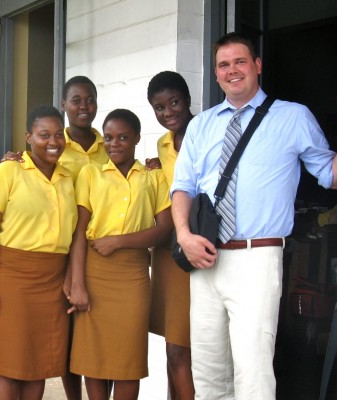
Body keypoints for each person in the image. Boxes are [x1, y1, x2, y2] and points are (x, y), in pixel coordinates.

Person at [170, 32, 337, 399]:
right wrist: (184, 236)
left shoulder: (292, 117)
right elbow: (182, 188)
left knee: (253, 373)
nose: (232, 70)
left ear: (257, 65)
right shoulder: (201, 125)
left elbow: (332, 176)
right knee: (208, 371)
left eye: (240, 61)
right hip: (205, 258)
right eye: (224, 65)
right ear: (216, 73)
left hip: (257, 258)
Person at [0, 75, 106, 400]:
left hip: (99, 255)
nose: (83, 106)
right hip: (58, 259)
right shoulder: (54, 150)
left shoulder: (110, 146)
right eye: (76, 100)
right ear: (64, 105)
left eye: (89, 99)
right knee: (63, 343)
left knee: (92, 341)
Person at [69, 109, 174, 400]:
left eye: (123, 137)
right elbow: (79, 232)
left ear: (137, 139)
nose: (115, 144)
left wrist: (118, 241)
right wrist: (77, 283)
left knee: (128, 361)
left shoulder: (152, 176)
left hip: (133, 277)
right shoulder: (90, 174)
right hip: (93, 272)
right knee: (94, 358)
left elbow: (165, 229)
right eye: (110, 138)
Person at [0, 105, 78, 400]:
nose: (53, 141)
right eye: (43, 135)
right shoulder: (9, 171)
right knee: (9, 366)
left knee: (39, 366)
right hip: (14, 279)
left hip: (53, 281)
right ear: (28, 137)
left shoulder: (68, 178)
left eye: (59, 135)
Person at [145, 71, 195, 400]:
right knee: (171, 348)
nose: (168, 112)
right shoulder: (162, 145)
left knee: (181, 350)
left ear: (187, 100)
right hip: (165, 254)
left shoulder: (205, 133)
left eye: (174, 102)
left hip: (193, 252)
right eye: (159, 107)